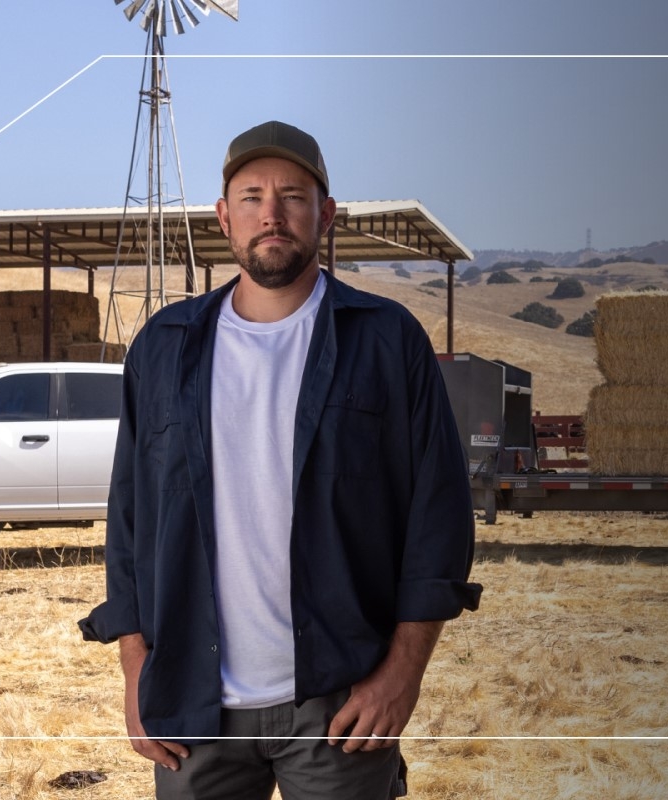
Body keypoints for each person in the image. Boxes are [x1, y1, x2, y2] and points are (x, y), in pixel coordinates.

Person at [80, 120, 482, 799]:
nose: (272, 213)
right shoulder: (163, 348)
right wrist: (134, 670)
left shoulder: (386, 342)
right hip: (194, 711)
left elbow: (438, 518)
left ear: (325, 215)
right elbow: (129, 520)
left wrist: (402, 674)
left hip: (340, 703)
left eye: (293, 195)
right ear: (223, 218)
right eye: (251, 196)